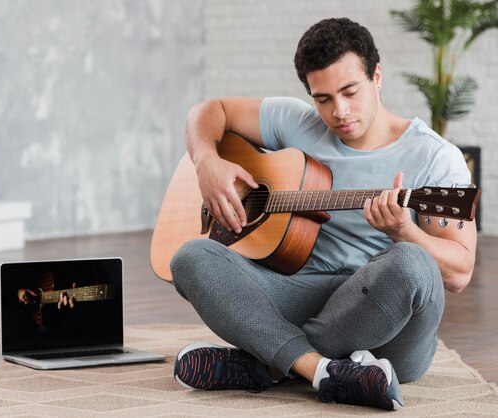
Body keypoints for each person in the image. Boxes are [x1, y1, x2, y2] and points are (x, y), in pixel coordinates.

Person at [170, 17, 476, 411]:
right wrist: (206, 161)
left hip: (388, 324)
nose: (340, 111)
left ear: (377, 76)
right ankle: (320, 370)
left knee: (411, 263)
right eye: (324, 98)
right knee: (190, 257)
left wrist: (406, 232)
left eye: (350, 91)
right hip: (301, 294)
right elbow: (208, 111)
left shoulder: (435, 156)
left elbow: (460, 272)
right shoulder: (295, 122)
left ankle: (269, 361)